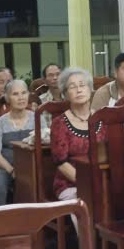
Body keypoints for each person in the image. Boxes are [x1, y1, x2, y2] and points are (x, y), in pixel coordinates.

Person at [0, 80, 35, 205]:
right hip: (7, 166)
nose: (21, 98)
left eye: (24, 93)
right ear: (8, 98)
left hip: (33, 166)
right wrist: (12, 170)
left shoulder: (37, 118)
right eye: (15, 94)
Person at [51, 66, 94, 201]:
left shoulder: (102, 118)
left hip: (101, 181)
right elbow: (61, 163)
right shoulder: (59, 123)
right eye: (72, 87)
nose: (79, 90)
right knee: (88, 204)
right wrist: (88, 184)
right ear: (65, 94)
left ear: (90, 89)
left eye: (82, 85)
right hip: (70, 184)